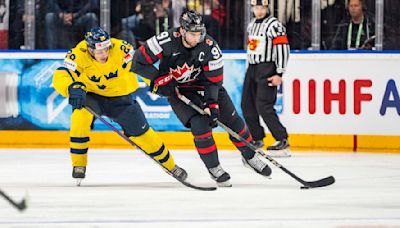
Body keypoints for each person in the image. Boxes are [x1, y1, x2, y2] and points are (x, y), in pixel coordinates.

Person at [131, 10, 272, 187]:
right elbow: (137, 62)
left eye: (199, 32)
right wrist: (160, 78)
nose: (197, 37)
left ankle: (250, 156)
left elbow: (214, 81)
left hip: (205, 86)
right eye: (193, 33)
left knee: (233, 121)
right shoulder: (164, 41)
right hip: (179, 91)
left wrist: (212, 104)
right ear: (182, 31)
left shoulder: (210, 46)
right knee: (200, 125)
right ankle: (215, 168)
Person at [52, 27, 187, 185]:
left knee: (144, 134)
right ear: (89, 48)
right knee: (79, 118)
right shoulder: (78, 53)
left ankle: (171, 166)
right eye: (99, 51)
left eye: (106, 49)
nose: (104, 54)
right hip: (93, 96)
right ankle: (79, 164)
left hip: (121, 99)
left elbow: (140, 66)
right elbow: (62, 74)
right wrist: (70, 87)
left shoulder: (123, 49)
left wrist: (156, 83)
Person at [241, 0, 291, 157]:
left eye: (262, 7)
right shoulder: (251, 24)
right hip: (253, 67)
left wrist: (279, 73)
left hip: (267, 67)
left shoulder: (274, 25)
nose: (259, 10)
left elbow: (283, 48)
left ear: (267, 7)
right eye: (256, 7)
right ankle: (257, 137)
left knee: (264, 105)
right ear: (252, 8)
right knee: (246, 104)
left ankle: (281, 138)